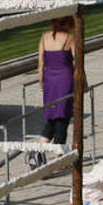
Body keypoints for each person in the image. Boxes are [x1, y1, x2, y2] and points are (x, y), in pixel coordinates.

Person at [28, 16, 74, 169]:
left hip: (50, 79)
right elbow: (79, 62)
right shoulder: (69, 38)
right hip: (65, 80)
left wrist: (42, 80)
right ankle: (58, 158)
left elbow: (41, 62)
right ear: (67, 23)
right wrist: (83, 83)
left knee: (52, 117)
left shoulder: (44, 37)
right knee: (63, 118)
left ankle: (38, 152)